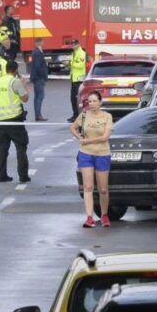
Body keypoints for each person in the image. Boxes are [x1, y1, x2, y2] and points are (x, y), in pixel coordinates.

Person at [70, 91, 113, 228]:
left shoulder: (107, 116)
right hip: (86, 154)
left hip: (102, 154)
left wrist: (87, 141)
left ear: (100, 102)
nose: (92, 104)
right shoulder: (83, 115)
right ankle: (89, 217)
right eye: (89, 101)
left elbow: (105, 137)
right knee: (88, 187)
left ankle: (104, 215)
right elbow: (73, 127)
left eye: (95, 101)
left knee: (103, 189)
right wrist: (79, 137)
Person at [0, 60, 31, 184]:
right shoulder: (15, 82)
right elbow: (25, 99)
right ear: (16, 70)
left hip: (0, 120)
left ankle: (1, 175)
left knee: (3, 149)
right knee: (21, 147)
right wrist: (24, 85)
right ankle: (23, 175)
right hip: (14, 120)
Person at [29, 38, 49, 121]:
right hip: (39, 78)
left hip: (35, 77)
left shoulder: (35, 52)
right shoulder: (38, 52)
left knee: (37, 97)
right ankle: (38, 115)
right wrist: (43, 76)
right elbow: (38, 66)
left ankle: (37, 115)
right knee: (40, 96)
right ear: (41, 42)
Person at [68, 38, 88, 121]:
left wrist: (71, 64)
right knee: (73, 99)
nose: (73, 46)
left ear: (78, 44)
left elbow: (81, 65)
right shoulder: (74, 53)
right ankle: (75, 115)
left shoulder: (82, 53)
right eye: (72, 45)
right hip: (74, 79)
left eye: (75, 44)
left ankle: (78, 116)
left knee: (77, 99)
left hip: (79, 80)